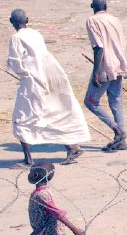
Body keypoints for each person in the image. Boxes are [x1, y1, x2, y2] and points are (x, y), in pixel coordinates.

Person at [7, 9, 89, 168]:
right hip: (51, 76)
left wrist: (21, 73)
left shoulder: (16, 38)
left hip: (33, 81)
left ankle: (28, 160)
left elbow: (15, 61)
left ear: (11, 21)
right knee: (51, 112)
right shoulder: (36, 34)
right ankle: (72, 147)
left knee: (21, 119)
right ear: (28, 20)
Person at [84, 0, 127, 152]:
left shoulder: (92, 21)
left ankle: (118, 130)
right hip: (119, 63)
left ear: (92, 6)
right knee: (116, 100)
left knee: (91, 102)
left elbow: (98, 47)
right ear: (106, 6)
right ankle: (121, 140)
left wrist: (96, 72)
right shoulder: (115, 20)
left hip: (106, 66)